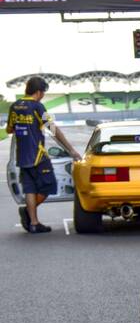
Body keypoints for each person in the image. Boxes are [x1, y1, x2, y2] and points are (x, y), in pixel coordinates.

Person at [5, 76, 81, 233]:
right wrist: (70, 150)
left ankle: (33, 223)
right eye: (43, 93)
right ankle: (27, 212)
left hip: (22, 157)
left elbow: (9, 130)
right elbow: (52, 130)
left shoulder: (15, 106)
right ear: (38, 92)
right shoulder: (38, 107)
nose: (43, 96)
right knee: (49, 186)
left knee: (30, 189)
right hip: (38, 157)